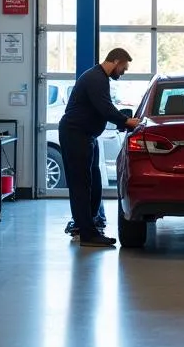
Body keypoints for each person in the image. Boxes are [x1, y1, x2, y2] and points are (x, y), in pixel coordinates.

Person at [59, 48, 139, 247]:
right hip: (75, 134)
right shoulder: (96, 78)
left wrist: (123, 122)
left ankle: (89, 224)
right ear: (116, 61)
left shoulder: (99, 78)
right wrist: (127, 121)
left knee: (93, 181)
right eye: (123, 68)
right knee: (81, 184)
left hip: (86, 136)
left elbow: (101, 109)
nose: (123, 72)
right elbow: (104, 108)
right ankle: (86, 233)